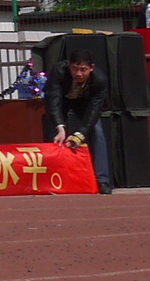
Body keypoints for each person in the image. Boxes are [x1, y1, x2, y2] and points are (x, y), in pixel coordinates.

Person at [45, 53, 111, 192]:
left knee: (97, 131)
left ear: (91, 68)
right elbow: (54, 101)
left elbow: (94, 110)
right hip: (62, 101)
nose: (78, 73)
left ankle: (102, 180)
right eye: (74, 69)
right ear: (69, 66)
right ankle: (53, 177)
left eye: (83, 70)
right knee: (54, 132)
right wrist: (60, 128)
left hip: (85, 104)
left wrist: (80, 134)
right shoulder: (58, 71)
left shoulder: (99, 80)